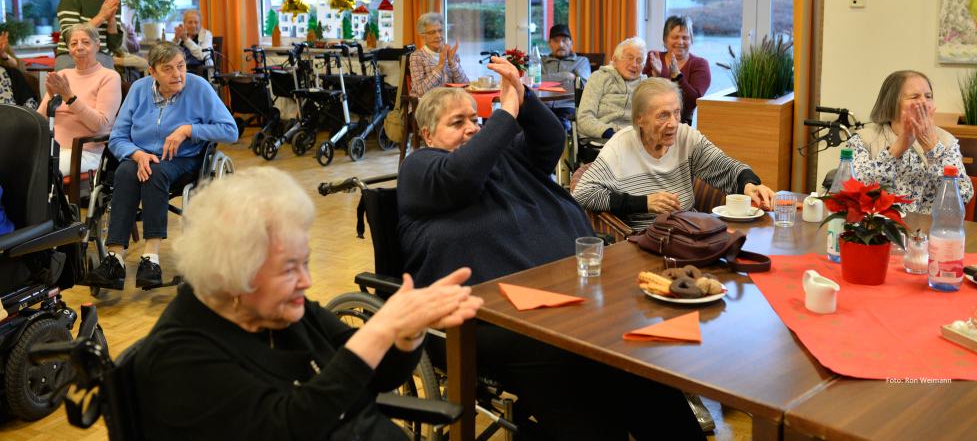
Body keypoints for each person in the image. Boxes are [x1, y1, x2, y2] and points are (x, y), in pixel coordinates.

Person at [397, 58, 704, 441]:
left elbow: (549, 141)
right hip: (492, 320)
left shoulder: (502, 158)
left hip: (564, 301)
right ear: (427, 134)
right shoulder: (421, 168)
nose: (473, 128)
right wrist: (504, 115)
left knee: (637, 358)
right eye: (457, 123)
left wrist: (522, 98)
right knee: (575, 369)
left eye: (475, 119)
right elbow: (462, 176)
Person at [133, 167, 483, 441]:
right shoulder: (179, 360)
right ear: (229, 274)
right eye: (289, 269)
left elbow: (374, 376)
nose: (307, 281)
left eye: (306, 262)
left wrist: (407, 332)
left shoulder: (281, 312)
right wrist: (377, 331)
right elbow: (287, 428)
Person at [84, 41, 237, 290]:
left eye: (181, 66)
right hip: (140, 158)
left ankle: (150, 259)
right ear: (152, 72)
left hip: (183, 159)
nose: (177, 74)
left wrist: (189, 130)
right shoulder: (138, 89)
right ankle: (115, 259)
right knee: (124, 171)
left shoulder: (199, 87)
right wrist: (136, 154)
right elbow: (118, 137)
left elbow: (230, 131)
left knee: (154, 173)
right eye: (168, 69)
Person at [573, 78, 775, 230]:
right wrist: (645, 203)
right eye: (663, 115)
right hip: (643, 238)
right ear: (639, 119)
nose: (673, 123)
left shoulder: (686, 136)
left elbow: (726, 167)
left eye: (676, 112)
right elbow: (582, 194)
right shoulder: (619, 147)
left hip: (690, 232)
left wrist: (750, 185)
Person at [848, 70, 973, 213]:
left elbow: (963, 195)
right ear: (892, 103)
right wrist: (895, 150)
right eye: (914, 97)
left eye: (928, 96)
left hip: (929, 230)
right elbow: (854, 192)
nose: (924, 102)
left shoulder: (946, 140)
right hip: (879, 228)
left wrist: (932, 147)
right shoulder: (863, 140)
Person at [35, 23, 121, 175]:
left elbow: (99, 124)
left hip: (85, 151)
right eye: (74, 43)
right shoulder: (62, 74)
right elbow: (40, 118)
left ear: (97, 46)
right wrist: (50, 99)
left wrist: (70, 97)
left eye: (86, 42)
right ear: (69, 49)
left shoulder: (109, 76)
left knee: (38, 171)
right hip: (52, 148)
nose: (79, 47)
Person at [643, 15, 710, 125]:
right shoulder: (653, 57)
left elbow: (693, 102)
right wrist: (655, 75)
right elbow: (640, 93)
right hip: (649, 120)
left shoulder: (700, 64)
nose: (680, 42)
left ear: (691, 40)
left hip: (679, 123)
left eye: (685, 38)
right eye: (675, 37)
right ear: (665, 40)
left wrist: (677, 76)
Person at [576, 37, 647, 140]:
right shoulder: (599, 78)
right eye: (629, 58)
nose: (634, 65)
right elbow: (584, 119)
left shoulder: (644, 85)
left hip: (636, 138)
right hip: (603, 137)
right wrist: (611, 134)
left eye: (639, 61)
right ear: (615, 60)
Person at [541, 23, 591, 130]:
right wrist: (566, 76)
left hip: (568, 105)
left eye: (565, 40)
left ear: (571, 43)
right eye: (556, 41)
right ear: (550, 45)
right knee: (535, 125)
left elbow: (584, 85)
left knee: (561, 126)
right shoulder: (541, 62)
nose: (561, 44)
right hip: (544, 105)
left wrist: (547, 77)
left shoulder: (581, 61)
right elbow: (535, 81)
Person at [409, 12, 469, 96]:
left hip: (450, 102)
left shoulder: (452, 55)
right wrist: (439, 66)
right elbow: (421, 90)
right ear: (423, 38)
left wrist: (452, 62)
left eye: (440, 31)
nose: (438, 35)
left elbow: (465, 85)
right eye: (432, 32)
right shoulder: (417, 57)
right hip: (426, 104)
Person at [173, 8, 214, 73]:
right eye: (190, 22)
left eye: (196, 22)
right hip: (180, 70)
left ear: (200, 24)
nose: (193, 25)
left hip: (199, 72)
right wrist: (175, 39)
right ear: (184, 24)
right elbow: (171, 56)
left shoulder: (206, 35)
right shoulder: (182, 35)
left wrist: (186, 39)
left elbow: (203, 56)